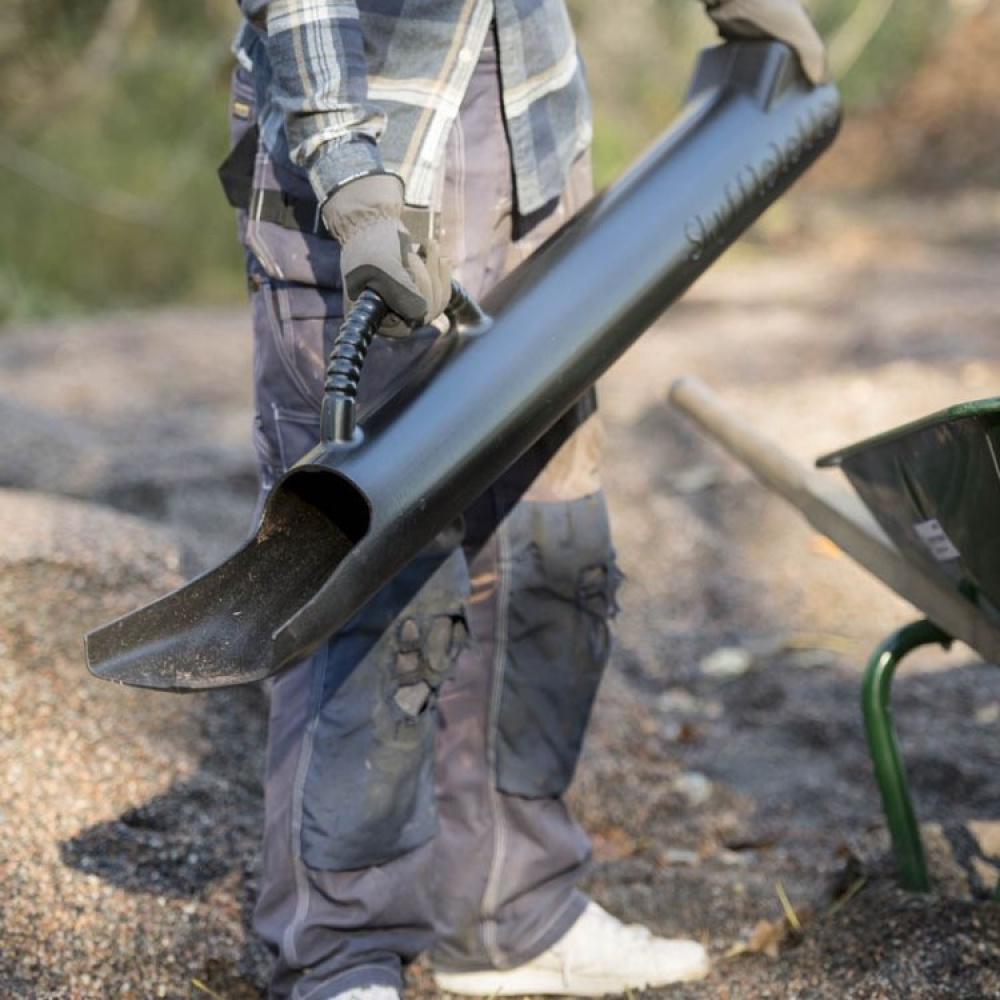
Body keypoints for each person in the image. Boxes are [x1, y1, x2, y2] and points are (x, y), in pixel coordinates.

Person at [221, 2, 827, 998]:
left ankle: (510, 908)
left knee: (549, 535)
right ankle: (341, 950)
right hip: (363, 148)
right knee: (380, 569)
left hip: (530, 123)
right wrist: (349, 174)